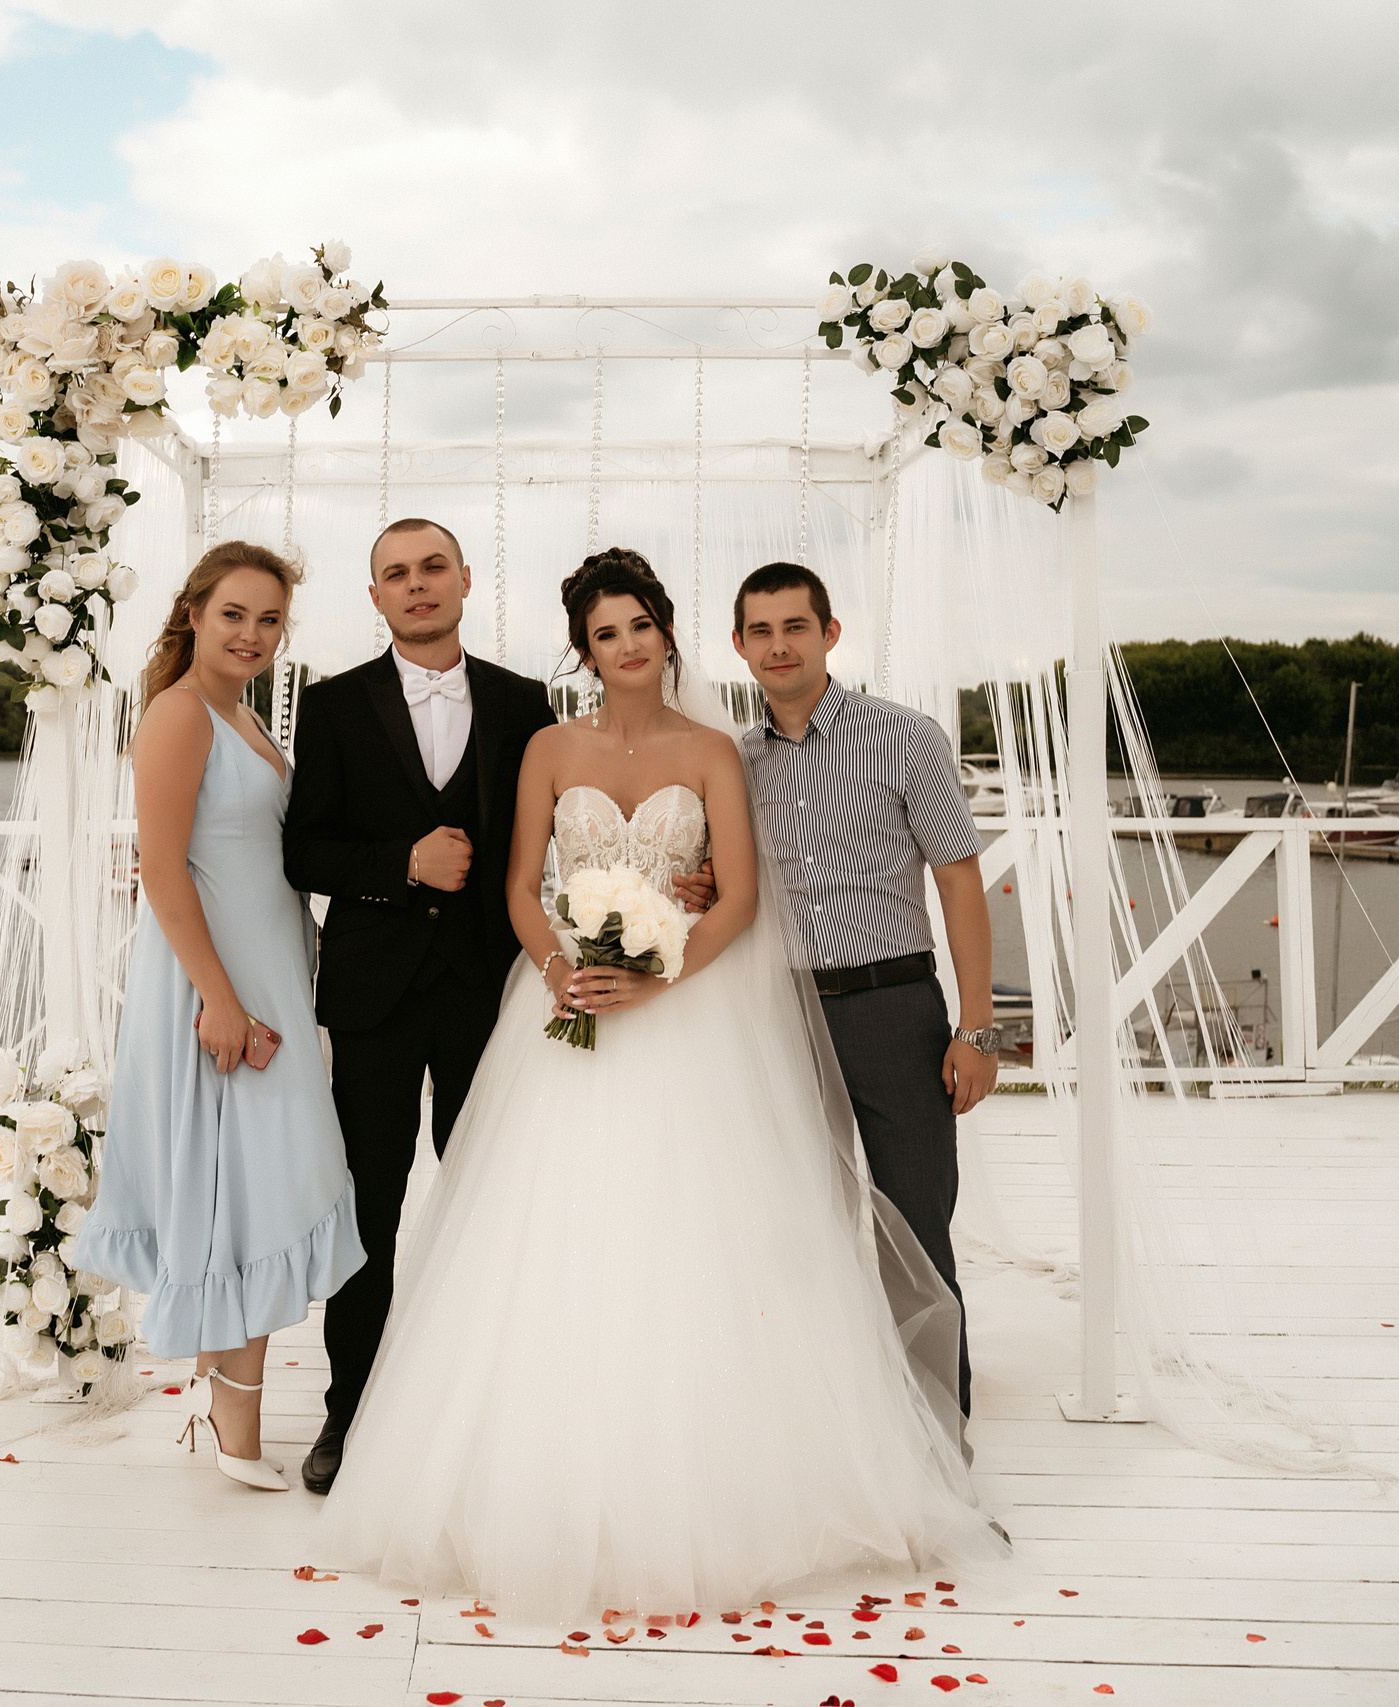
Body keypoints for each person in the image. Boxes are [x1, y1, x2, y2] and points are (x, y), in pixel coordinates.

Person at [318, 547, 1001, 1619]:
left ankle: (914, 1441)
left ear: (671, 633)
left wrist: (656, 966)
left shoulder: (718, 753)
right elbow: (517, 882)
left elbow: (732, 894)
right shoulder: (547, 746)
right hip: (564, 1013)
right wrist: (558, 969)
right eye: (605, 633)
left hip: (694, 1015)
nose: (627, 646)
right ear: (582, 650)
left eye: (640, 626)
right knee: (556, 1237)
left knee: (750, 1229)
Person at [76, 540, 364, 1493]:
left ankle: (222, 1398)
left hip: (266, 977)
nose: (251, 633)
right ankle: (235, 1420)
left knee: (252, 1188)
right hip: (218, 990)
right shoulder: (176, 714)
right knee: (266, 1192)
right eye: (233, 613)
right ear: (193, 611)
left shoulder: (240, 716)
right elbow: (162, 872)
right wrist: (222, 1001)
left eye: (269, 618)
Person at [281, 517, 556, 1496]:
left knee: (494, 1203)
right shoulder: (332, 706)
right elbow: (302, 852)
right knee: (370, 1211)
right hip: (374, 1001)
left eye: (432, 566)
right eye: (395, 573)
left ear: (465, 579)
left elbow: (560, 831)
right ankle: (348, 1414)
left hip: (493, 996)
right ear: (375, 598)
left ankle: (493, 1411)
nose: (417, 584)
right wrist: (400, 865)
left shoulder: (527, 703)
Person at [730, 561, 1003, 1417]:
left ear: (829, 633)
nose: (779, 646)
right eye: (761, 631)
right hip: (781, 1017)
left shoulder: (905, 737)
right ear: (739, 646)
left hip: (893, 1008)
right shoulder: (735, 762)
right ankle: (829, 1422)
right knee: (794, 1227)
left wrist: (980, 1027)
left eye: (795, 627)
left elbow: (960, 880)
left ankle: (938, 1430)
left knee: (915, 1228)